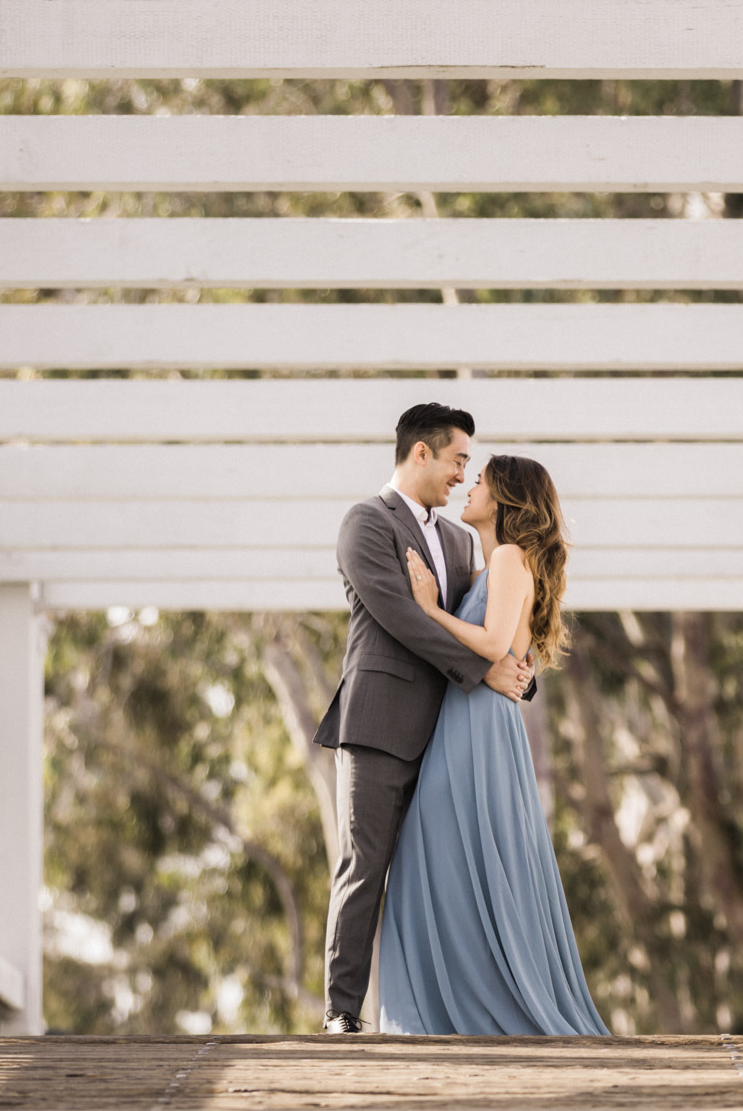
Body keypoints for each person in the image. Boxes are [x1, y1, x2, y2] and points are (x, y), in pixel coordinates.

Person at [314, 403, 537, 1034]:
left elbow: (484, 622)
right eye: (458, 460)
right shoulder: (364, 522)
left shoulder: (462, 539)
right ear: (421, 453)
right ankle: (342, 1013)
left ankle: (443, 1013)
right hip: (378, 727)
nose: (464, 476)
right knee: (364, 868)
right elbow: (402, 617)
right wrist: (483, 671)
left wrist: (515, 668)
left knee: (435, 879)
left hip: (448, 739)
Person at [376, 453, 609, 1036]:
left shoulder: (508, 557)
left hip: (478, 729)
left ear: (504, 499)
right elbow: (503, 654)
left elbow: (491, 643)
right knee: (445, 854)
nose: (470, 485)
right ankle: (451, 1004)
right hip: (464, 723)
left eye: (479, 480)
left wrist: (428, 609)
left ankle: (467, 1006)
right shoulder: (488, 567)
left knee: (459, 851)